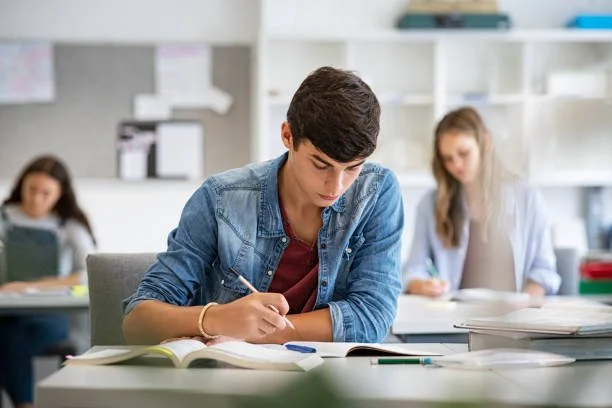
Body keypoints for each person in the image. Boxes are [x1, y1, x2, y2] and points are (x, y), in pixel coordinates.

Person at [123, 66, 404, 346]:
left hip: (329, 381)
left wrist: (254, 333)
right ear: (287, 136)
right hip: (234, 379)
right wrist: (217, 319)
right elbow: (137, 321)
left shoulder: (376, 192)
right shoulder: (221, 198)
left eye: (353, 168)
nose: (336, 186)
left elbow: (372, 318)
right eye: (321, 165)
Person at [404, 107, 560, 298]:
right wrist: (422, 285)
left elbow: (543, 271)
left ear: (486, 142)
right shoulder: (430, 204)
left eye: (464, 153)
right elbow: (413, 268)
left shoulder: (527, 197)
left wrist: (524, 307)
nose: (456, 165)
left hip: (514, 320)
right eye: (448, 159)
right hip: (454, 320)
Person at [0, 155, 96, 408]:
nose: (36, 198)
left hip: (52, 316)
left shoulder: (70, 227)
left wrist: (28, 286)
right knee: (7, 332)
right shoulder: (4, 217)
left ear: (60, 194)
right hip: (6, 313)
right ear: (21, 185)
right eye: (31, 189)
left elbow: (89, 273)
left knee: (10, 339)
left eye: (46, 193)